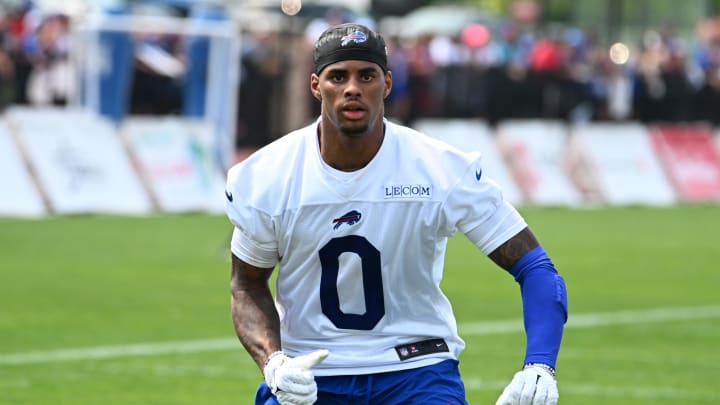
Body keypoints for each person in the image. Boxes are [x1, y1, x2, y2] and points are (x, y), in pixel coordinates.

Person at [225, 22, 568, 405]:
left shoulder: (439, 169)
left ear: (387, 83)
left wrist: (540, 366)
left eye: (366, 76)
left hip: (416, 367)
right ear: (316, 86)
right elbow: (247, 284)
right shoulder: (269, 175)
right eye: (338, 76)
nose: (352, 88)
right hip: (310, 372)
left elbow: (536, 269)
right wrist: (274, 362)